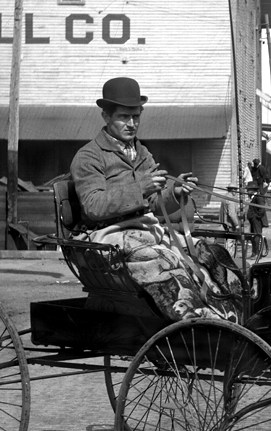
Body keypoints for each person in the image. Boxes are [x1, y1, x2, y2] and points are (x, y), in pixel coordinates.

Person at [70, 77, 245, 321]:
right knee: (167, 264)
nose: (131, 124)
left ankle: (236, 311)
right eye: (123, 117)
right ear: (106, 116)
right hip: (110, 237)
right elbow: (92, 207)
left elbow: (154, 203)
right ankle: (199, 324)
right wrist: (140, 188)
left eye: (136, 116)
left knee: (211, 252)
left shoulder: (142, 153)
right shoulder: (89, 156)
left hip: (146, 232)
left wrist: (175, 193)